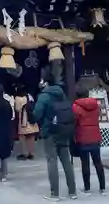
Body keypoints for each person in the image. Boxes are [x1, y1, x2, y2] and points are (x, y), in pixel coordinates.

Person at [32, 67, 77, 201]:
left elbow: (36, 115)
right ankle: (72, 192)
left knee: (52, 161)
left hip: (50, 131)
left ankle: (55, 193)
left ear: (44, 82)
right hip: (64, 130)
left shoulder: (44, 96)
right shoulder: (61, 93)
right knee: (66, 161)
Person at [72, 90, 106, 195]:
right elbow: (98, 116)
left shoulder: (75, 107)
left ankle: (87, 188)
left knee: (85, 164)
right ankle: (102, 187)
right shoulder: (96, 105)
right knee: (98, 163)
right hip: (95, 136)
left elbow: (74, 121)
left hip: (83, 137)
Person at [14, 85, 39, 160]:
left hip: (23, 120)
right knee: (31, 137)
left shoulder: (18, 99)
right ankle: (31, 153)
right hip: (31, 119)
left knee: (22, 137)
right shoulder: (29, 96)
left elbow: (17, 109)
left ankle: (24, 153)